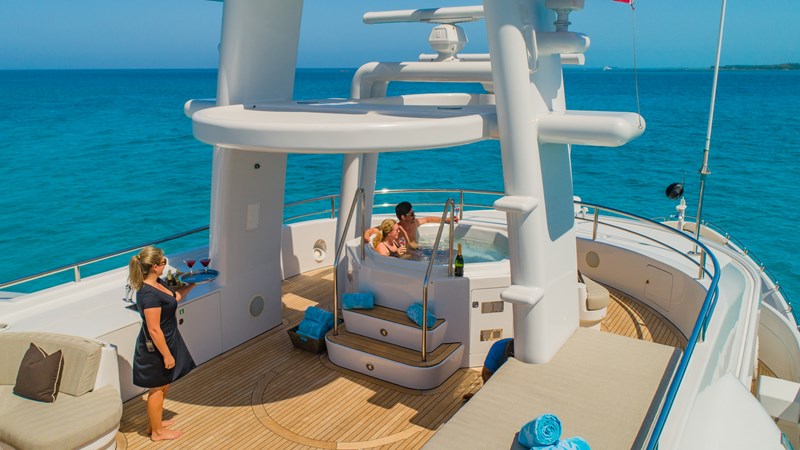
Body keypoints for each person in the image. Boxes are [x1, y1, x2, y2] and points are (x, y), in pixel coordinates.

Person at [128, 246, 197, 441]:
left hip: (168, 340)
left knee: (163, 386)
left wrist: (194, 284)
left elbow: (174, 298)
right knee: (157, 390)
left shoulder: (159, 283)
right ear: (154, 266)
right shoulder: (149, 295)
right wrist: (166, 355)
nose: (165, 265)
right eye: (163, 262)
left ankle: (154, 424)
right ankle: (157, 433)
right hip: (156, 349)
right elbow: (154, 329)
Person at [363, 201, 457, 249]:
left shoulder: (414, 223)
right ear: (403, 217)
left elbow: (428, 219)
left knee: (448, 253)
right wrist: (367, 234)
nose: (414, 215)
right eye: (411, 214)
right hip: (406, 254)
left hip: (418, 249)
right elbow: (374, 230)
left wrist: (446, 219)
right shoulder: (396, 228)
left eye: (414, 212)